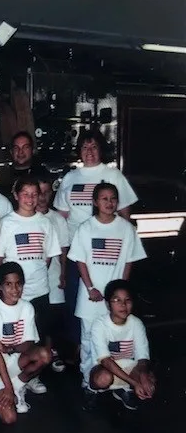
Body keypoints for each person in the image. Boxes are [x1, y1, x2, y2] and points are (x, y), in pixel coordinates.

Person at [53, 130, 138, 350]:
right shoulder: (71, 178)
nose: (89, 152)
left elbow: (125, 213)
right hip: (76, 250)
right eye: (84, 147)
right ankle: (80, 350)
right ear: (79, 151)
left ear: (101, 149)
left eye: (94, 147)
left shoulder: (113, 175)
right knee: (76, 301)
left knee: (110, 299)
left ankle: (110, 349)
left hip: (107, 251)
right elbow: (61, 217)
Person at [67, 183, 146, 407]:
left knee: (117, 341)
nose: (109, 203)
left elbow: (129, 261)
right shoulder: (86, 228)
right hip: (91, 295)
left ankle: (120, 385)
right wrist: (91, 287)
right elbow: (80, 260)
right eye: (104, 198)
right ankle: (89, 383)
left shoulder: (126, 229)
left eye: (113, 198)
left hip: (115, 298)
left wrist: (120, 293)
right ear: (95, 202)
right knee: (88, 340)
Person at [0, 177, 60, 394]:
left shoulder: (45, 222)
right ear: (16, 195)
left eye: (35, 194)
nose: (31, 199)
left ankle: (33, 377)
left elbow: (48, 257)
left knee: (37, 336)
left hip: (39, 290)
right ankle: (14, 378)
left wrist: (34, 276)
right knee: (15, 337)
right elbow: (0, 258)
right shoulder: (7, 222)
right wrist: (11, 287)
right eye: (26, 194)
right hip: (15, 294)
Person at [0, 262, 52, 424]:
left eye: (18, 284)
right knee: (9, 418)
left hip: (15, 361)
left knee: (45, 355)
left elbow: (30, 342)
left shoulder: (27, 307)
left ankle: (18, 385)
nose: (15, 289)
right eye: (9, 285)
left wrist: (9, 348)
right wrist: (7, 389)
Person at [87, 279, 155, 411]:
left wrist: (144, 376)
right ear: (108, 304)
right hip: (105, 368)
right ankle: (92, 391)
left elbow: (142, 358)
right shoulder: (99, 325)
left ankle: (123, 390)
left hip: (127, 367)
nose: (123, 305)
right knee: (103, 379)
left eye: (127, 300)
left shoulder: (136, 323)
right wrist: (135, 383)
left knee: (149, 381)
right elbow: (106, 361)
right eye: (117, 300)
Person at [36, 176, 71, 371]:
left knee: (52, 316)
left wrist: (63, 273)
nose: (42, 197)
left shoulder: (57, 219)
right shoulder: (28, 217)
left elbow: (64, 250)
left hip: (53, 273)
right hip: (33, 277)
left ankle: (51, 352)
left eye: (46, 192)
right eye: (38, 192)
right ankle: (39, 354)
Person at [0, 131, 48, 197]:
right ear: (11, 152)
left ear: (32, 150)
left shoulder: (42, 174)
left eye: (25, 147)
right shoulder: (3, 177)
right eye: (16, 148)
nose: (20, 152)